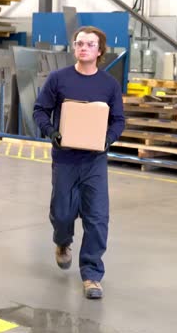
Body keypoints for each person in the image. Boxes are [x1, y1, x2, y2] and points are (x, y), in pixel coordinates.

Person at [32, 26, 125, 299]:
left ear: (99, 51)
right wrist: (51, 132)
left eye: (90, 44)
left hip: (94, 161)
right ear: (74, 47)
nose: (83, 47)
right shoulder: (59, 79)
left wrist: (106, 139)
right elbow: (40, 110)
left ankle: (92, 275)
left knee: (97, 218)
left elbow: (118, 120)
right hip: (65, 158)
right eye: (79, 43)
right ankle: (62, 242)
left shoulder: (109, 85)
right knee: (62, 213)